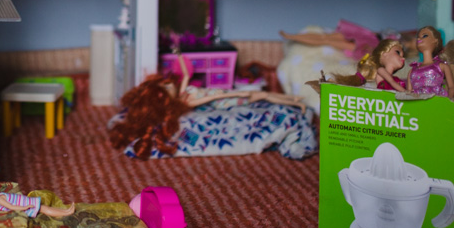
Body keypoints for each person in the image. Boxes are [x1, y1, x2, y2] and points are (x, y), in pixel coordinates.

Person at [108, 55, 306, 159]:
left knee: (266, 96)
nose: (172, 84)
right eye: (168, 87)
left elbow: (185, 75)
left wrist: (179, 56)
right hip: (228, 99)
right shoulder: (186, 101)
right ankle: (295, 101)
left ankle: (295, 101)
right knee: (265, 95)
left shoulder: (183, 92)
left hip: (226, 95)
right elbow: (214, 98)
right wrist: (237, 93)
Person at [329, 38, 408, 92]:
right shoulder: (381, 71)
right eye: (398, 52)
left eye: (403, 55)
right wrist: (406, 93)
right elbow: (391, 82)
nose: (403, 58)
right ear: (384, 54)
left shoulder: (397, 79)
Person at [408, 25, 454, 97]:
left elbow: (451, 88)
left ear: (435, 40)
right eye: (418, 37)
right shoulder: (412, 71)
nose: (419, 38)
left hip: (437, 103)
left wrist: (448, 103)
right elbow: (408, 93)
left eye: (425, 36)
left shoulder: (441, 66)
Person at [0, 183, 75, 219]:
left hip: (24, 203)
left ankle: (65, 211)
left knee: (43, 208)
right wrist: (25, 207)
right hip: (24, 206)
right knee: (43, 208)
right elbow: (11, 207)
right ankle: (66, 212)